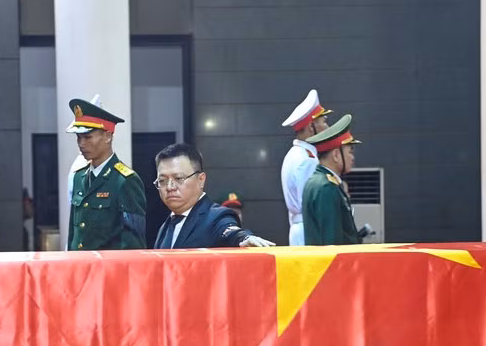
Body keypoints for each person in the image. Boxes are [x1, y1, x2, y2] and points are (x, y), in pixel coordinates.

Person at [153, 143, 274, 249]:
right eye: (162, 180)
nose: (169, 187)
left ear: (201, 180)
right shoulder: (165, 226)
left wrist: (244, 238)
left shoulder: (216, 217)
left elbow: (230, 231)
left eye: (179, 178)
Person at [65, 97, 146, 250]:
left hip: (107, 265)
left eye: (87, 137)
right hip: (79, 263)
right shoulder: (78, 177)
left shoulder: (125, 181)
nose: (81, 144)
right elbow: (74, 235)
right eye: (78, 138)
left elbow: (133, 244)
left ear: (108, 136)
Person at [280, 89, 332, 245]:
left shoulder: (294, 154)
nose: (327, 127)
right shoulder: (307, 159)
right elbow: (312, 205)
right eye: (323, 122)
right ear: (311, 126)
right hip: (309, 230)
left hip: (301, 229)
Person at [302, 114, 363, 245]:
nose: (352, 158)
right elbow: (332, 242)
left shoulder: (317, 181)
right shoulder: (326, 187)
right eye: (350, 152)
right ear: (336, 155)